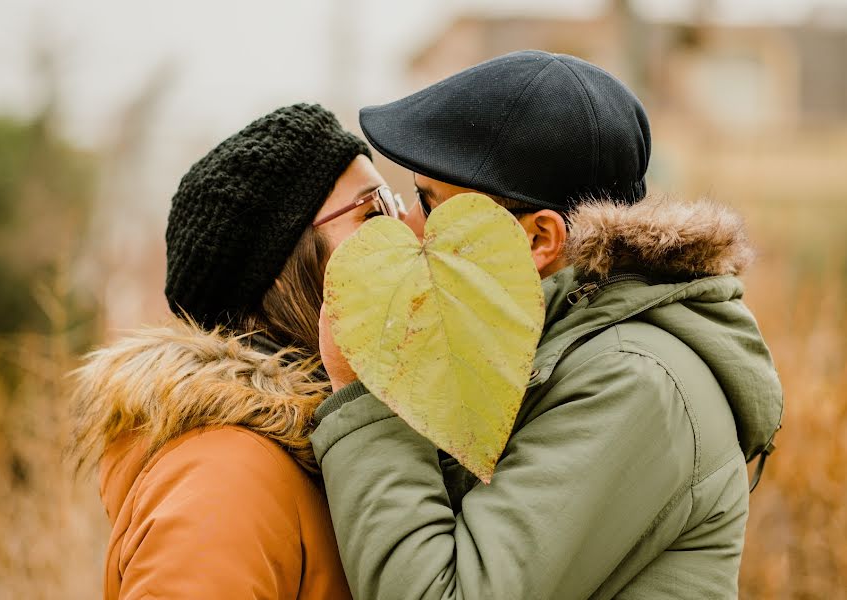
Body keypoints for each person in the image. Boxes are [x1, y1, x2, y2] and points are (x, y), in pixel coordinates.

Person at [313, 51, 784, 599]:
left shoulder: (635, 383)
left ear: (539, 240)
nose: (409, 226)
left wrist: (362, 389)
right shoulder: (559, 346)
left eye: (429, 201)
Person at [70, 103, 400, 599]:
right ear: (285, 267)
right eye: (373, 213)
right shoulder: (224, 476)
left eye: (393, 205)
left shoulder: (330, 448)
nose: (408, 231)